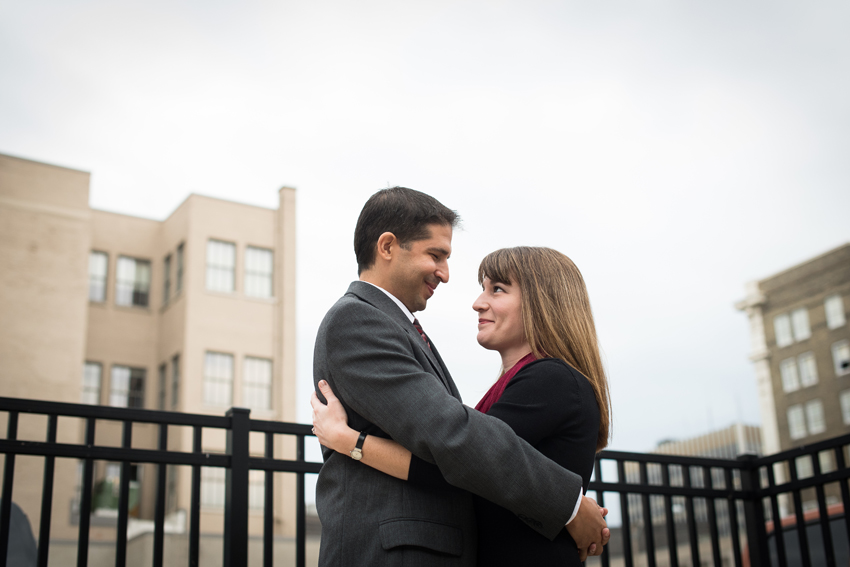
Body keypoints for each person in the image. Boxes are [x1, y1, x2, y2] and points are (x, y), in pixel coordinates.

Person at [311, 187, 609, 566]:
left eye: (496, 289)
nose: (446, 275)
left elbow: (455, 449)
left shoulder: (550, 378)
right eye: (436, 255)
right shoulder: (359, 319)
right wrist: (569, 504)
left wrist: (351, 440)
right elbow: (454, 439)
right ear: (387, 246)